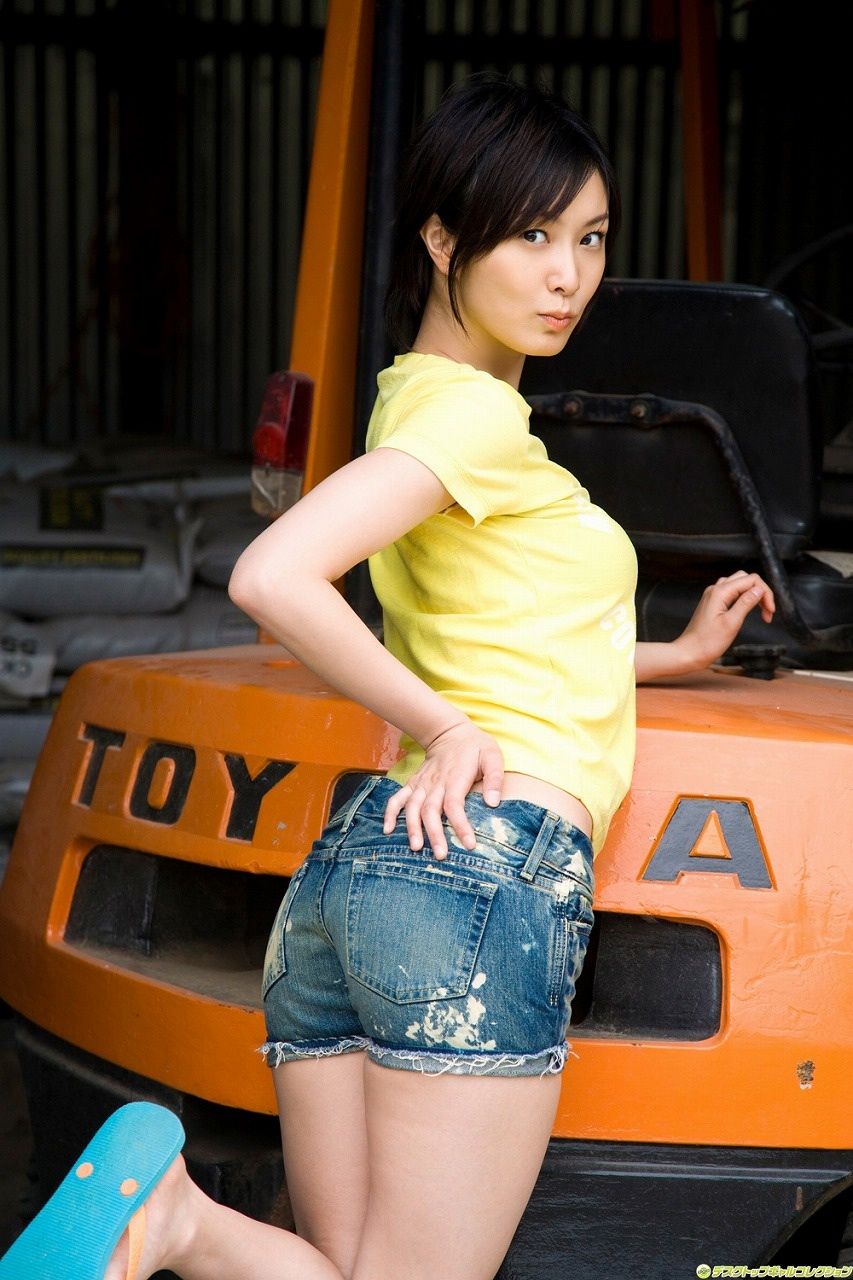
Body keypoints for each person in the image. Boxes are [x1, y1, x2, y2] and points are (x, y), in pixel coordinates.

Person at [0, 74, 775, 1280]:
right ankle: (180, 1221)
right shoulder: (472, 422)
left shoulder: (412, 405)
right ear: (440, 239)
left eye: (589, 239)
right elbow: (273, 573)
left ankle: (183, 1223)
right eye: (531, 235)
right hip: (480, 872)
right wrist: (446, 725)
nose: (568, 275)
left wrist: (665, 657)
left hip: (355, 876)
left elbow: (498, 635)